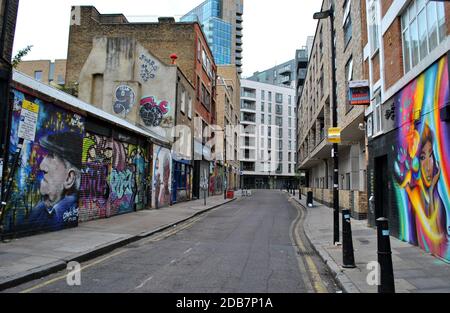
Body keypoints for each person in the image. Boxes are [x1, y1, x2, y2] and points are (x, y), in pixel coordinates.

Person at [26, 132, 82, 231]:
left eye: (51, 156)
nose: (41, 166)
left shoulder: (54, 217)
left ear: (69, 178)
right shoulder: (41, 210)